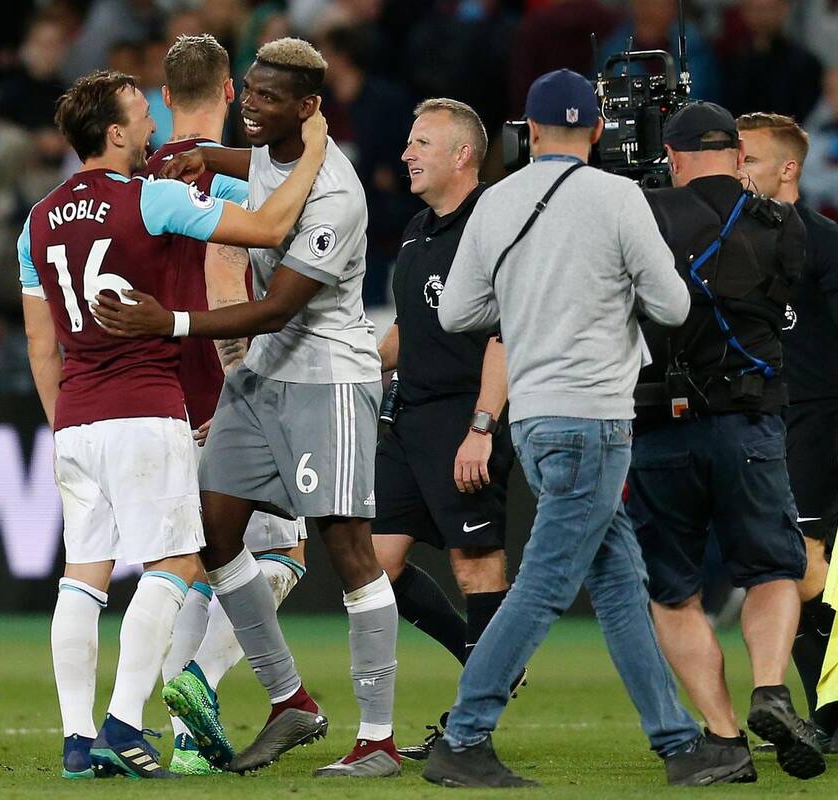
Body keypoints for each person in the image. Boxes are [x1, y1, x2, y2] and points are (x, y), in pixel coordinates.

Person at [94, 37, 401, 779]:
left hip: (327, 378)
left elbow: (276, 308)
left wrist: (168, 322)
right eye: (251, 91)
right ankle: (289, 698)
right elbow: (255, 165)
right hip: (263, 378)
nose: (253, 107)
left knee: (346, 546)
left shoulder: (334, 194)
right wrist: (207, 158)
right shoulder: (269, 151)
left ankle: (378, 739)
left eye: (269, 98)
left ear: (308, 107)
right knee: (214, 526)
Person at [19, 68, 327, 780]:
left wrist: (64, 423)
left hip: (76, 416)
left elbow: (40, 343)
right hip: (145, 405)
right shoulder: (151, 197)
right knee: (178, 563)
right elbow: (270, 227)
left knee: (83, 577)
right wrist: (313, 150)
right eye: (139, 116)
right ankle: (124, 725)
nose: (152, 127)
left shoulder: (37, 218)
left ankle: (76, 740)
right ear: (115, 132)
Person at [424, 69, 727, 788]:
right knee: (545, 585)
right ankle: (463, 736)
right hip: (593, 418)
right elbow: (673, 306)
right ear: (595, 130)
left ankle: (679, 744)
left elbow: (456, 312)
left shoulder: (497, 200)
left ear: (528, 132)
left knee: (619, 583)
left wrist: (529, 302)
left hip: (532, 419)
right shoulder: (619, 196)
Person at [628, 101, 824, 781]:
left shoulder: (641, 212)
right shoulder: (781, 223)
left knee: (673, 593)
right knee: (773, 570)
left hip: (660, 426)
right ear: (738, 155)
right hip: (749, 419)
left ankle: (723, 737)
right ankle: (770, 687)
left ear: (673, 155)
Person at [145, 33, 309, 777]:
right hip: (228, 392)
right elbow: (226, 270)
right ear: (231, 93)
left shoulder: (136, 179)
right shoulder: (241, 181)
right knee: (279, 553)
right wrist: (238, 381)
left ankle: (183, 741)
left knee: (195, 561)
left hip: (154, 396)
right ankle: (199, 681)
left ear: (164, 97)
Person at [371, 97, 521, 761]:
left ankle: (473, 728)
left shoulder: (492, 225)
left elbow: (505, 333)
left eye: (422, 143)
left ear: (463, 154)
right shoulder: (416, 229)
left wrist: (483, 426)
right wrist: (351, 365)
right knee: (373, 565)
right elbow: (408, 329)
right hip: (408, 418)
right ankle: (486, 658)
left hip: (466, 415)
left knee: (475, 563)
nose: (407, 153)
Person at [737, 111, 838, 751]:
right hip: (764, 425)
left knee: (799, 567)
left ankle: (828, 717)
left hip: (817, 423)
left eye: (748, 159)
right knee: (788, 569)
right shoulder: (730, 244)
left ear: (789, 168)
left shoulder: (823, 244)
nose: (738, 171)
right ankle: (826, 716)